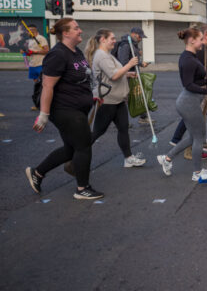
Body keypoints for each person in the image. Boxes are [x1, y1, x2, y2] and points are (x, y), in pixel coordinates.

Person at [26, 18, 104, 200]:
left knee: (71, 149)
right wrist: (43, 114)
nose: (80, 31)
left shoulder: (75, 51)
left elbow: (81, 78)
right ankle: (82, 188)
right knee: (84, 145)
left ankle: (37, 173)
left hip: (78, 106)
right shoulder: (58, 54)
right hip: (65, 109)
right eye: (76, 28)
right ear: (66, 33)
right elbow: (47, 86)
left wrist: (92, 95)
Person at [156, 28, 207, 180]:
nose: (201, 42)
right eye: (199, 39)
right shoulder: (188, 59)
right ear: (192, 40)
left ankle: (167, 158)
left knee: (193, 137)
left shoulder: (190, 56)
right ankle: (197, 173)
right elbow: (188, 84)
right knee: (199, 138)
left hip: (189, 101)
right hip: (188, 102)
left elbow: (195, 79)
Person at [84, 29, 147, 168]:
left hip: (117, 99)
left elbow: (114, 73)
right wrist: (129, 65)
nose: (114, 40)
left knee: (123, 128)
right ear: (103, 40)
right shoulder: (102, 56)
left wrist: (128, 74)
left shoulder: (106, 55)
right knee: (97, 132)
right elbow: (113, 76)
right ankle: (75, 156)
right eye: (112, 38)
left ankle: (128, 158)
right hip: (108, 100)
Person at [116, 27, 151, 125]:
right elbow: (123, 62)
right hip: (128, 75)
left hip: (134, 74)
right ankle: (120, 121)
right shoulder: (126, 45)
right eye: (140, 37)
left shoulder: (133, 44)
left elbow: (132, 58)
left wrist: (138, 57)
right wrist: (140, 63)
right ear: (134, 34)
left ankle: (143, 117)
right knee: (124, 99)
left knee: (139, 95)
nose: (141, 39)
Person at [21, 24, 48, 111]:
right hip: (32, 65)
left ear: (32, 31)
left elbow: (46, 51)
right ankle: (38, 104)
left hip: (40, 65)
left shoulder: (40, 38)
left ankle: (45, 106)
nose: (26, 32)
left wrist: (34, 52)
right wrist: (26, 52)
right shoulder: (31, 40)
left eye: (27, 31)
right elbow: (31, 53)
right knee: (37, 87)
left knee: (43, 87)